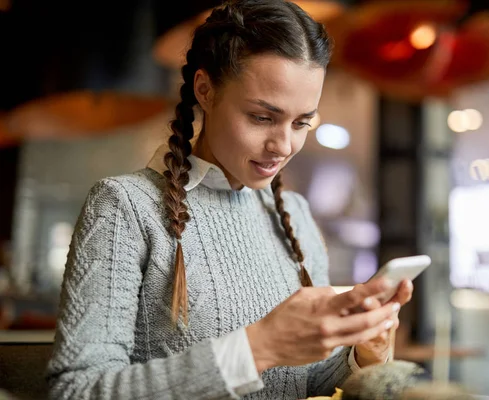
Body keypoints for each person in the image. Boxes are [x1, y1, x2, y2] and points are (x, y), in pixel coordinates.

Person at [46, 1, 414, 399]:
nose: (284, 145)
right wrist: (260, 347)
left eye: (302, 122)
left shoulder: (296, 216)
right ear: (205, 90)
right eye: (262, 117)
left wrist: (362, 351)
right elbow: (76, 391)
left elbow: (303, 381)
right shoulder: (124, 207)